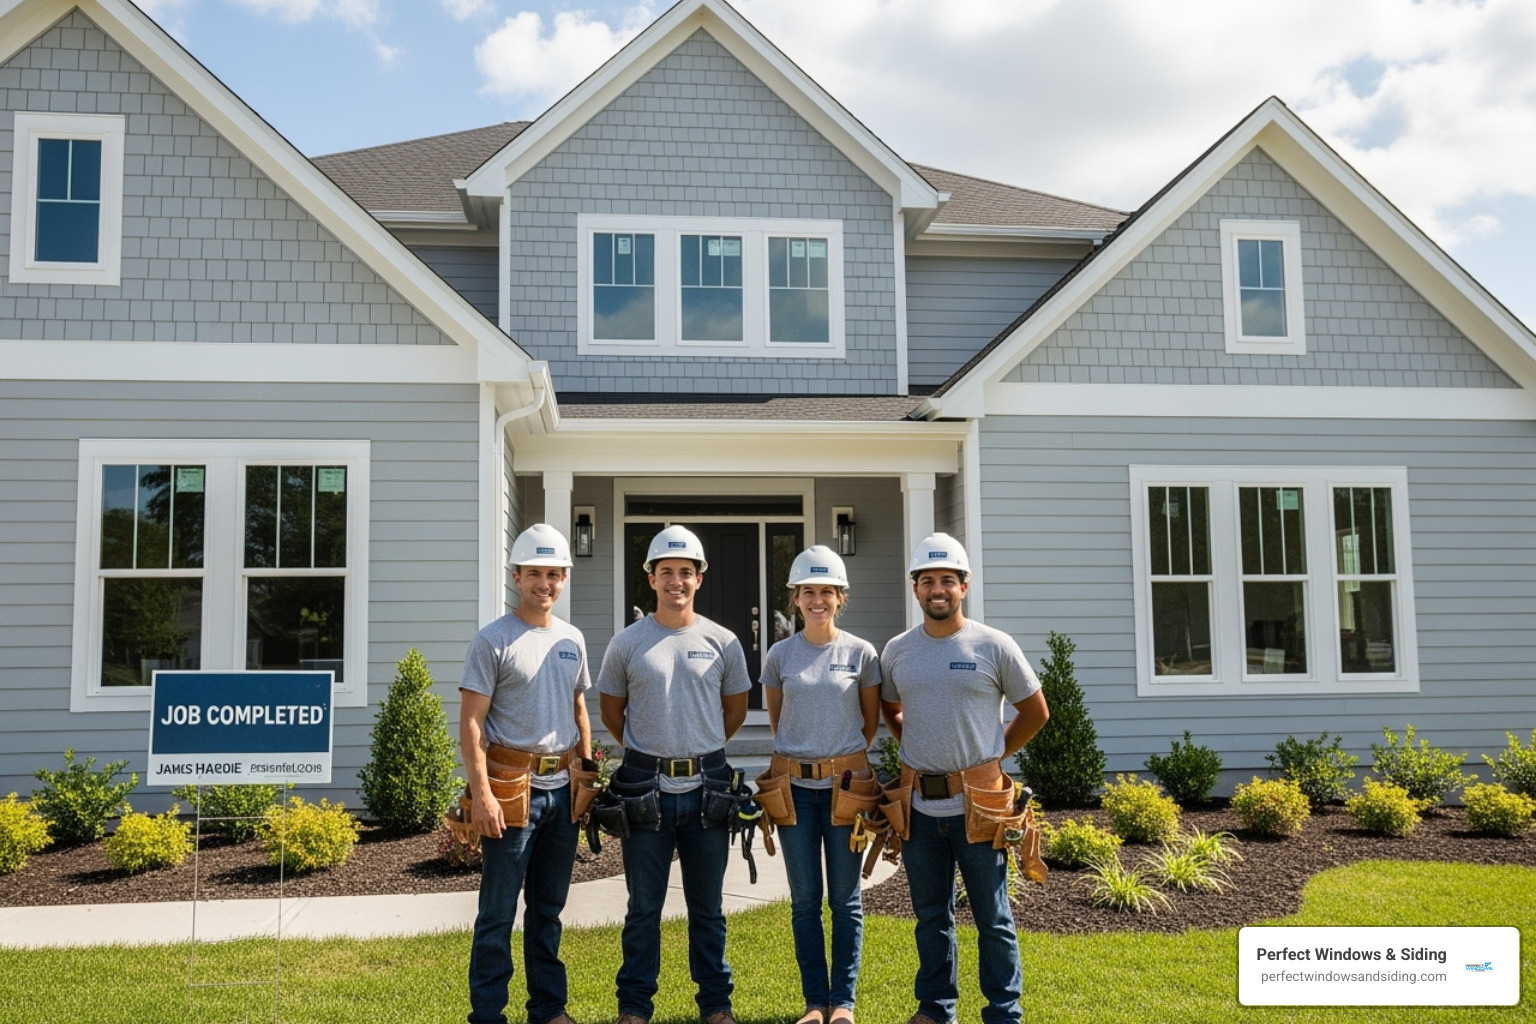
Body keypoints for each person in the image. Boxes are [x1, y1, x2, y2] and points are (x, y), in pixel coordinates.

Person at [879, 533, 1050, 1024]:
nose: (938, 589)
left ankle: (1003, 1012)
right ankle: (935, 1009)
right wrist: (914, 747)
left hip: (981, 806)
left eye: (948, 580)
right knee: (931, 917)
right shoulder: (897, 651)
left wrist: (991, 757)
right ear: (915, 588)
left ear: (964, 586)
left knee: (993, 918)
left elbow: (1035, 712)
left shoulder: (994, 645)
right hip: (918, 807)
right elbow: (890, 708)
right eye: (928, 580)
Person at [597, 525, 752, 1024]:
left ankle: (716, 1006)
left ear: (699, 578)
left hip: (708, 786)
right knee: (643, 908)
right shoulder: (627, 643)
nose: (676, 581)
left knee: (708, 908)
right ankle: (634, 1007)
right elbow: (612, 712)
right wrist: (651, 750)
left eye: (686, 571)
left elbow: (734, 711)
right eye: (666, 571)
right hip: (645, 788)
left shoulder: (723, 641)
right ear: (651, 578)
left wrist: (697, 742)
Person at [459, 523, 593, 1024]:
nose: (545, 583)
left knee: (548, 911)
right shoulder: (493, 640)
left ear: (564, 579)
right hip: (511, 790)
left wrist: (586, 781)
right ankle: (488, 1014)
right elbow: (471, 724)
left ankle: (549, 1009)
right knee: (497, 913)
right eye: (535, 573)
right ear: (517, 577)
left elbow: (578, 710)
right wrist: (483, 796)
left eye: (554, 574)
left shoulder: (572, 639)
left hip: (562, 792)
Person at [759, 546, 881, 1024]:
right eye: (808, 591)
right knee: (805, 901)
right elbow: (779, 723)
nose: (817, 600)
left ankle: (843, 1004)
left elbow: (868, 726)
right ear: (795, 598)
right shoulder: (779, 655)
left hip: (847, 792)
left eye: (826, 591)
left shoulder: (861, 653)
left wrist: (836, 761)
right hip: (793, 793)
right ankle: (815, 1003)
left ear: (840, 597)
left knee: (846, 901)